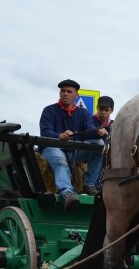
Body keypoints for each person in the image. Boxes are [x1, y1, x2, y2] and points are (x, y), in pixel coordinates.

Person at [39, 79, 108, 212]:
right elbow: (45, 132)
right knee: (60, 162)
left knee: (99, 144)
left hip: (74, 152)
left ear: (76, 95)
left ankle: (90, 183)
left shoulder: (83, 113)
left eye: (69, 91)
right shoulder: (49, 110)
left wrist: (97, 132)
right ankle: (67, 193)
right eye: (63, 91)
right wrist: (59, 135)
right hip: (52, 148)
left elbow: (89, 131)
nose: (65, 94)